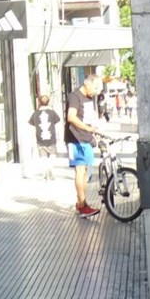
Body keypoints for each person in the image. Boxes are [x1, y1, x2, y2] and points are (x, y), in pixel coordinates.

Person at [66, 74, 104, 218]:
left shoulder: (88, 98)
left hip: (86, 138)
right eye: (95, 88)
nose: (96, 92)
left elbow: (88, 117)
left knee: (85, 171)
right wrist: (87, 128)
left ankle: (81, 203)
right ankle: (82, 205)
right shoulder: (75, 97)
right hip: (76, 138)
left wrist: (93, 130)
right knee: (80, 170)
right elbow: (71, 117)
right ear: (88, 84)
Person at [28, 95, 62, 179]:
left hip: (40, 139)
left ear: (39, 102)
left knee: (43, 157)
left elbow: (31, 126)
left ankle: (45, 172)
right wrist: (59, 136)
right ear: (48, 102)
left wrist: (33, 138)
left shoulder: (35, 113)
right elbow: (58, 124)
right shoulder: (52, 112)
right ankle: (50, 168)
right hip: (51, 138)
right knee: (53, 154)